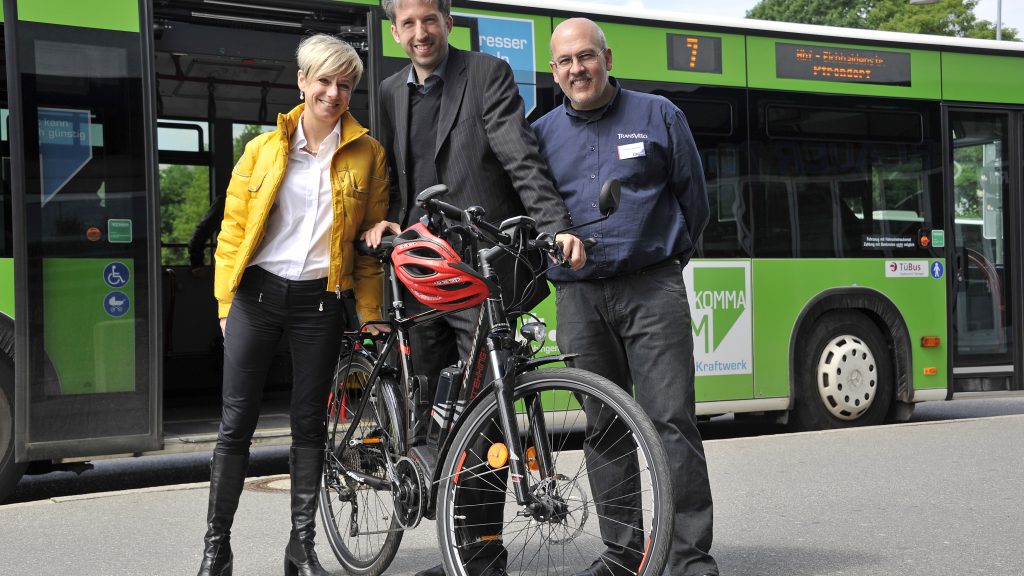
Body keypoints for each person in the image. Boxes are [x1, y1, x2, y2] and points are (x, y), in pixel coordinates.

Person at [363, 2, 585, 576]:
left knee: (485, 414)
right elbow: (389, 173)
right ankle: (455, 542)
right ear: (394, 31)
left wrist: (554, 226)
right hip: (416, 269)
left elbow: (520, 156)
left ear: (448, 20)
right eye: (407, 24)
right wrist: (384, 219)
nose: (419, 33)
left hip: (477, 272)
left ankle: (482, 554)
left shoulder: (486, 74)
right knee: (429, 415)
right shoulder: (389, 91)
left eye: (428, 19)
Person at [196, 34, 389, 576]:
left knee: (310, 425)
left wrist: (370, 317)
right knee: (237, 423)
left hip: (320, 305)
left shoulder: (368, 155)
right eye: (323, 80)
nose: (333, 92)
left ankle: (301, 549)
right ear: (302, 81)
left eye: (344, 84)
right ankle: (217, 549)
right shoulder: (262, 149)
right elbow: (232, 232)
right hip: (255, 297)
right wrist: (224, 302)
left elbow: (368, 249)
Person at [532, 18, 720, 576]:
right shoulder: (541, 134)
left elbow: (696, 201)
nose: (577, 69)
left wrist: (665, 264)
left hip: (651, 288)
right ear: (554, 70)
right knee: (604, 425)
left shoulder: (659, 114)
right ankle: (624, 553)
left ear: (607, 57)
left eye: (586, 56)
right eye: (565, 62)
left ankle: (688, 556)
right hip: (579, 300)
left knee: (671, 422)